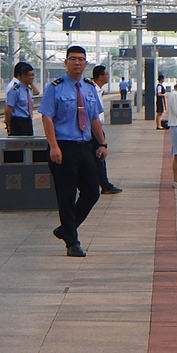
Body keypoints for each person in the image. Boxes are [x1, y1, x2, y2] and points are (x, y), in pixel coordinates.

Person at [41, 45, 107, 257]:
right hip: (63, 147)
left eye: (81, 59)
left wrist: (102, 143)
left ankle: (65, 229)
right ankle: (72, 242)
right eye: (72, 59)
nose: (77, 62)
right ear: (66, 62)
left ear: (86, 63)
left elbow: (94, 118)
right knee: (66, 196)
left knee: (92, 192)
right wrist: (53, 146)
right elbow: (47, 117)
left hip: (85, 146)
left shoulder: (89, 88)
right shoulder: (55, 87)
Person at [91, 65, 123, 194]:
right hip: (93, 129)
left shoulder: (98, 90)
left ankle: (103, 183)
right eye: (107, 74)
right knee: (100, 156)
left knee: (99, 156)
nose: (108, 77)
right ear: (100, 76)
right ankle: (104, 184)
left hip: (97, 127)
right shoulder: (92, 90)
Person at [4, 61, 36, 137]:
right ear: (23, 76)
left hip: (28, 121)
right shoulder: (15, 90)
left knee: (29, 142)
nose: (32, 77)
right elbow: (8, 109)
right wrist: (8, 124)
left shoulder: (28, 90)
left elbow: (37, 92)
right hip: (18, 122)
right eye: (30, 75)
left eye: (33, 75)